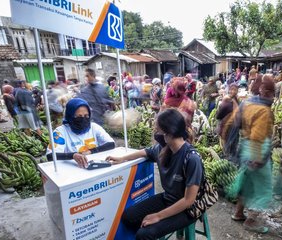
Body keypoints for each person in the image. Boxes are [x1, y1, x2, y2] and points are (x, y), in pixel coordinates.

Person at [106, 109, 204, 240]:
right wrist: (122, 158)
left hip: (186, 209)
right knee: (128, 217)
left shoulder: (192, 159)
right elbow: (145, 152)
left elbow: (188, 200)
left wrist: (158, 216)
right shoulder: (163, 149)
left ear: (169, 132)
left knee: (144, 234)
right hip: (168, 199)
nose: (155, 134)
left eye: (158, 131)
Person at [231, 75, 276, 233]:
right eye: (272, 92)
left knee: (247, 182)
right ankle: (251, 220)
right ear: (265, 91)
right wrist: (259, 159)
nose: (273, 97)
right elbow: (258, 137)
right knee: (263, 188)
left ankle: (238, 213)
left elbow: (236, 122)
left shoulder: (246, 102)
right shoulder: (263, 110)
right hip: (257, 148)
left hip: (245, 146)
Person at [46, 98, 115, 167]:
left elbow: (111, 144)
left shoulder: (94, 127)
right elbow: (50, 155)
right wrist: (73, 155)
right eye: (79, 116)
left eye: (86, 116)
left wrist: (91, 151)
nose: (83, 119)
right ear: (70, 116)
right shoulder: (60, 132)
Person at [216, 83, 239, 158]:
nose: (233, 91)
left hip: (231, 127)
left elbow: (219, 115)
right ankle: (229, 159)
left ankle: (230, 159)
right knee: (229, 145)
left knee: (230, 145)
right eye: (232, 89)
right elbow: (220, 114)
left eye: (235, 90)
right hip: (228, 127)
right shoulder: (230, 100)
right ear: (229, 90)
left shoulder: (233, 100)